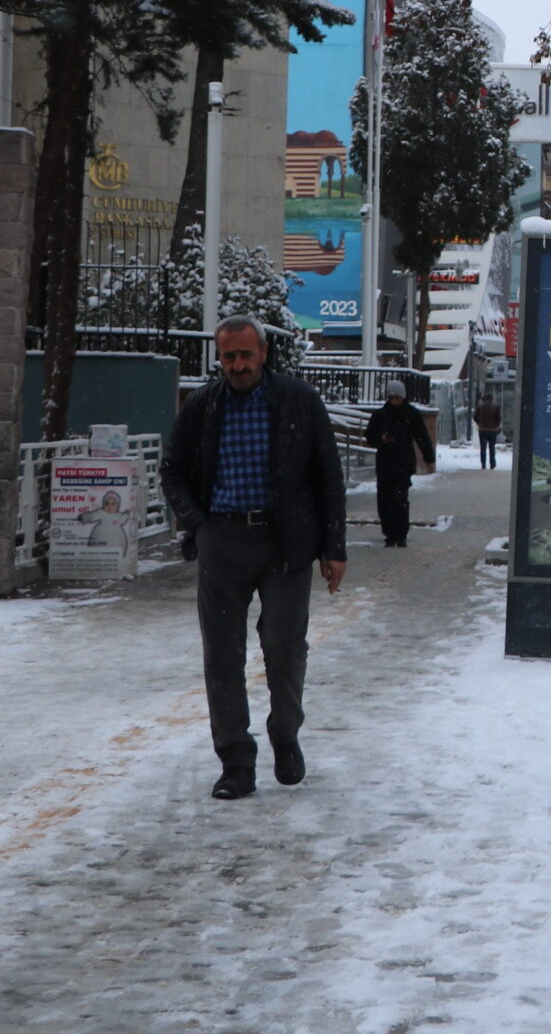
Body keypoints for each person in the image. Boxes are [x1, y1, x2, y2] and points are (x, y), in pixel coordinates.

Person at [160, 316, 346, 800]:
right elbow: (172, 470)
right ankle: (236, 762)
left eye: (246, 355)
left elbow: (328, 475)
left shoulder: (299, 401)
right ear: (219, 358)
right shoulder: (203, 405)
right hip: (222, 541)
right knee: (222, 655)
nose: (238, 365)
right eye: (229, 357)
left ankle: (285, 734)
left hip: (286, 542)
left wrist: (334, 548)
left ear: (263, 353)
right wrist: (199, 524)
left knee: (285, 646)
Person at [365, 382, 435, 546]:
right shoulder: (380, 415)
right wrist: (381, 438)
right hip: (385, 463)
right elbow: (369, 435)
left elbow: (422, 437)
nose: (394, 401)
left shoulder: (411, 415)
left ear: (403, 397)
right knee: (385, 500)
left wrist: (429, 460)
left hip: (404, 463)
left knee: (400, 499)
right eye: (392, 398)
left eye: (397, 398)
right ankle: (389, 534)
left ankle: (401, 534)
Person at [473, 388, 503, 471]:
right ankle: (492, 464)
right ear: (492, 398)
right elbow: (499, 417)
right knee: (492, 447)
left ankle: (483, 464)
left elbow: (474, 416)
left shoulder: (480, 406)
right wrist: (496, 425)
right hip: (492, 430)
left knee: (483, 448)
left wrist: (479, 422)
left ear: (485, 398)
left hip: (482, 430)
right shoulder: (496, 406)